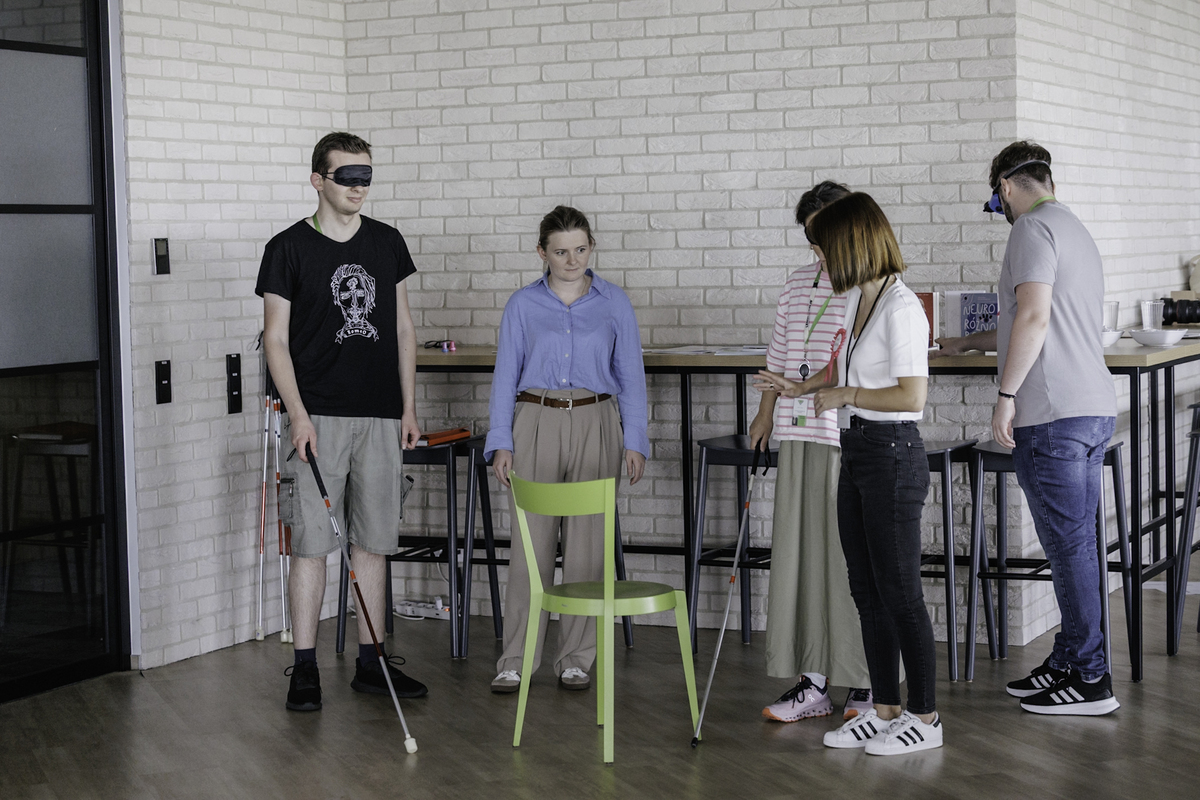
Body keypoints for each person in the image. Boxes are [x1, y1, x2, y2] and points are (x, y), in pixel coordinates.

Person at [932, 141, 1119, 716]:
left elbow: (1035, 317)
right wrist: (967, 343)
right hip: (1092, 411)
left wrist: (1005, 395)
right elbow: (1036, 320)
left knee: (1067, 551)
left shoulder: (1030, 230)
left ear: (1007, 187)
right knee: (1077, 548)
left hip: (1053, 414)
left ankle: (1090, 679)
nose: (1001, 212)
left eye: (996, 202)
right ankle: (1070, 659)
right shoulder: (1074, 228)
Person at [760, 192, 942, 755]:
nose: (822, 260)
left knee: (900, 593)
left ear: (853, 245)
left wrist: (845, 393)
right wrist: (804, 386)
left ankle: (925, 716)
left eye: (827, 248)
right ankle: (884, 708)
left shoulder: (901, 306)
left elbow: (911, 394)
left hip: (892, 454)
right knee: (865, 589)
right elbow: (843, 366)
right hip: (860, 449)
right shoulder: (863, 302)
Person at [256, 131, 427, 712]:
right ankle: (304, 669)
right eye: (348, 177)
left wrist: (407, 406)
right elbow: (275, 342)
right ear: (318, 180)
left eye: (367, 177)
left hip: (380, 414)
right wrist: (298, 417)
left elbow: (403, 329)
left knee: (373, 542)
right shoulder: (287, 248)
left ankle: (372, 664)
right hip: (317, 417)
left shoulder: (387, 243)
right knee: (311, 544)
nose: (359, 187)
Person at [485, 206, 648, 694]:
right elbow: (504, 377)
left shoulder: (615, 303)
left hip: (599, 420)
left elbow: (632, 377)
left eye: (580, 249)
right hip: (535, 419)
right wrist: (501, 441)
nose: (572, 259)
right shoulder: (522, 305)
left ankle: (576, 657)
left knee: (588, 548)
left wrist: (634, 439)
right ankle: (515, 657)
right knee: (528, 547)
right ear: (542, 253)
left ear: (590, 248)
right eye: (561, 251)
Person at [750, 181, 874, 724]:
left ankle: (867, 682)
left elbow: (853, 365)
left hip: (841, 436)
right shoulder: (798, 281)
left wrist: (811, 384)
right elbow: (779, 352)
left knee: (847, 559)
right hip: (796, 434)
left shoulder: (867, 285)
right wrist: (763, 414)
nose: (817, 251)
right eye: (811, 241)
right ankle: (815, 681)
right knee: (801, 559)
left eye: (823, 238)